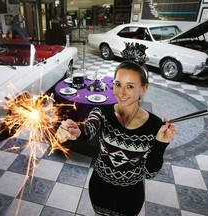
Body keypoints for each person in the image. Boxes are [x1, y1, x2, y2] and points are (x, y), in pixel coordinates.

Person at [56, 43, 177, 216]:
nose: (121, 92)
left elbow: (150, 173)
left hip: (130, 197)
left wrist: (161, 144)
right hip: (99, 188)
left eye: (130, 86)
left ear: (144, 88)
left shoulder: (154, 125)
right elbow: (89, 128)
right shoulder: (102, 112)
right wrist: (76, 131)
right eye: (118, 84)